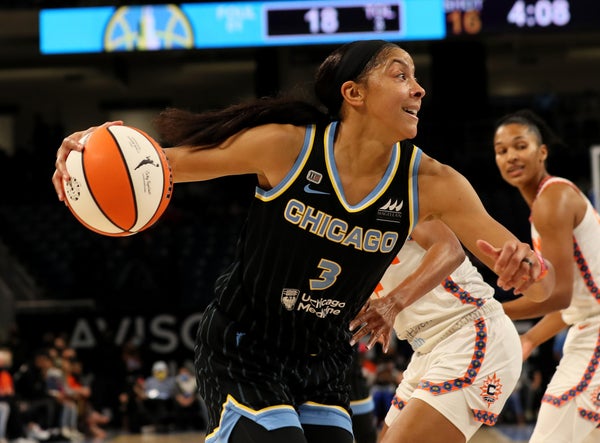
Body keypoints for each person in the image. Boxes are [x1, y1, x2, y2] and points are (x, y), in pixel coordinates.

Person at [52, 40, 554, 443]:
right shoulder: (287, 147)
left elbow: (533, 273)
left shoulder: (433, 183)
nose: (419, 89)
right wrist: (90, 151)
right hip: (245, 345)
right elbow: (161, 165)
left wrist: (524, 263)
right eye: (401, 75)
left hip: (324, 358)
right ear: (354, 93)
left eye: (417, 78)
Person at [352, 218, 522, 442]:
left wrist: (392, 303)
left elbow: (451, 250)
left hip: (470, 331)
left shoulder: (400, 200)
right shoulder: (334, 231)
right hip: (424, 349)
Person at [492, 109, 600, 443]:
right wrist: (530, 339)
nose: (511, 156)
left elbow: (560, 297)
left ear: (542, 152)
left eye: (520, 146)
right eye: (501, 150)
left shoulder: (552, 201)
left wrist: (487, 310)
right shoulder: (548, 202)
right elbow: (576, 302)